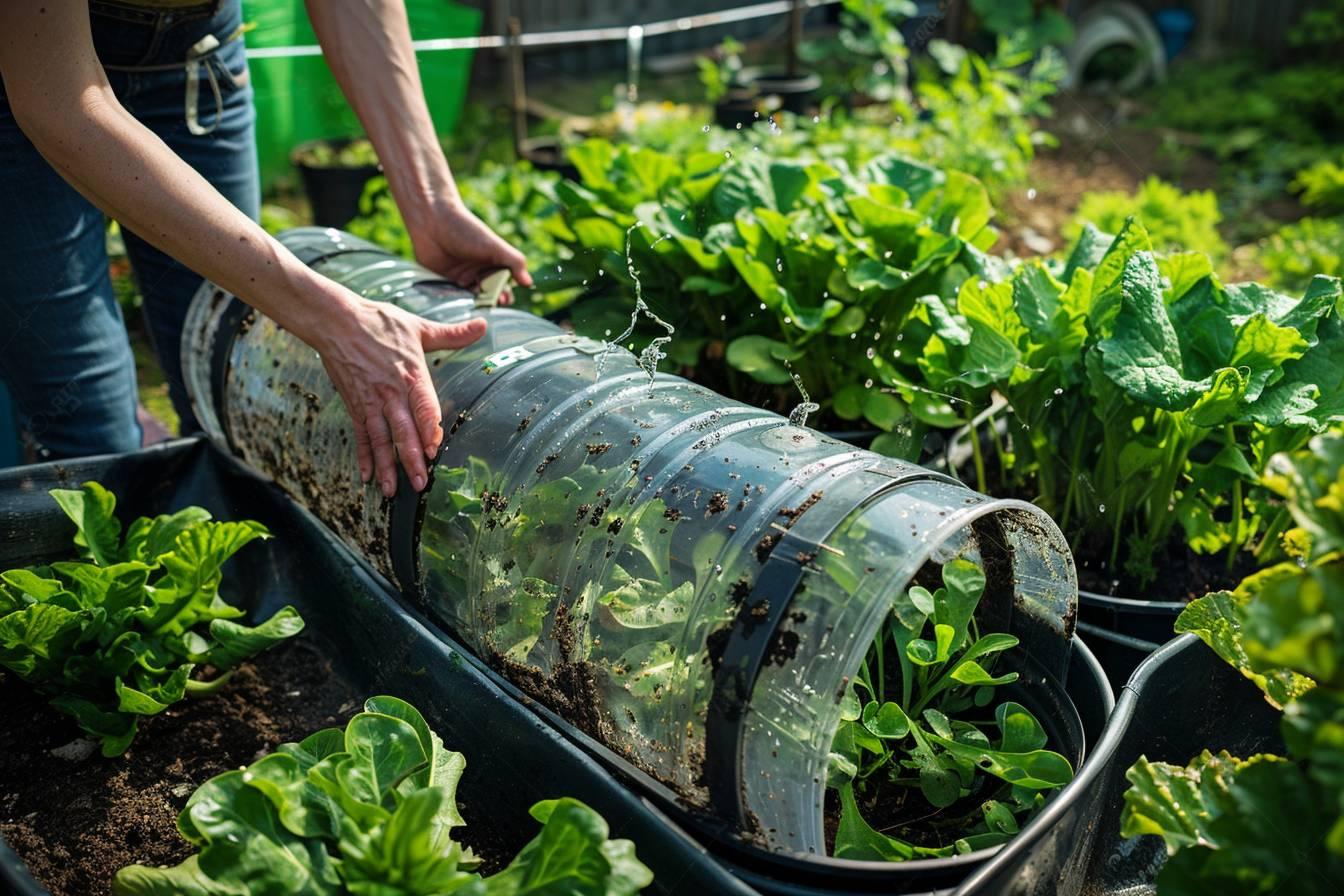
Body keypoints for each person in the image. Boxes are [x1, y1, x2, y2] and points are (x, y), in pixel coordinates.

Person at [0, 1, 531, 497]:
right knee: (88, 429)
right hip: (31, 73)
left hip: (194, 53)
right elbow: (58, 100)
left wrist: (431, 203)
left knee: (227, 384)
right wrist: (331, 318)